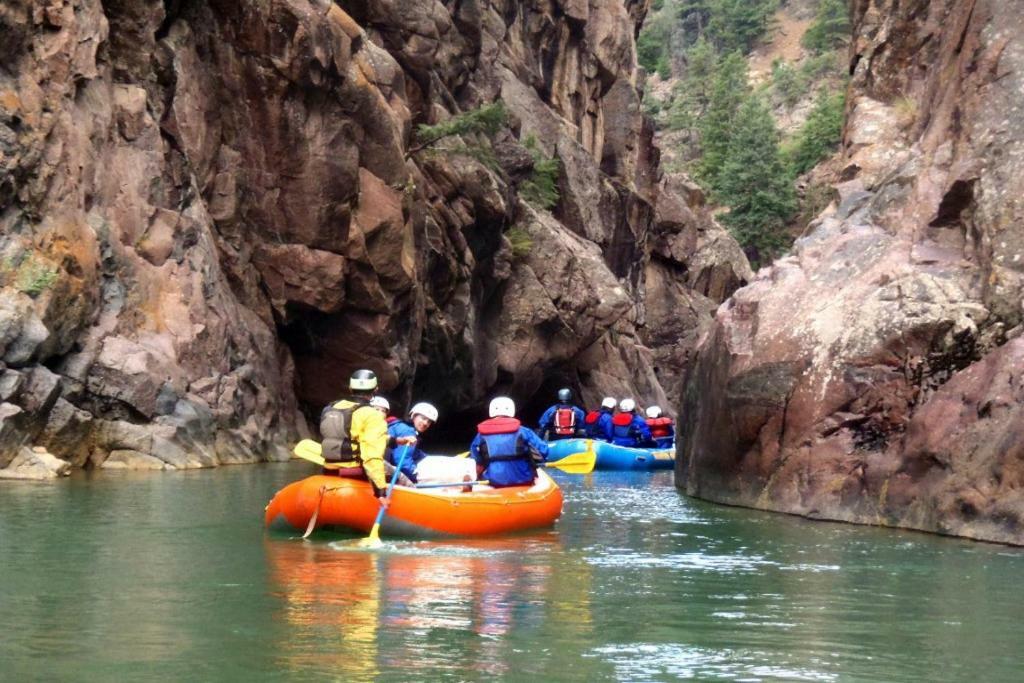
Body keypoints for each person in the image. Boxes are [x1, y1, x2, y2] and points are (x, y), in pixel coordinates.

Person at [318, 369, 390, 502]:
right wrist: (381, 492)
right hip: (354, 472)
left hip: (328, 470)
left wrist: (394, 441)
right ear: (376, 389)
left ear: (350, 388)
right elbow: (372, 456)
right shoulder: (373, 415)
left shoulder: (330, 408)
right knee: (394, 472)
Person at [471, 396, 549, 488]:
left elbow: (476, 459)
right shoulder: (524, 431)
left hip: (494, 481)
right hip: (523, 479)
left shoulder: (480, 435)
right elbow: (544, 451)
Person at [385, 402, 439, 485]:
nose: (425, 423)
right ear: (413, 416)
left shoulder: (401, 426)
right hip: (387, 473)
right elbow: (402, 462)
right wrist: (417, 477)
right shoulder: (407, 430)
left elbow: (415, 453)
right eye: (423, 418)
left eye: (429, 422)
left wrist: (431, 459)